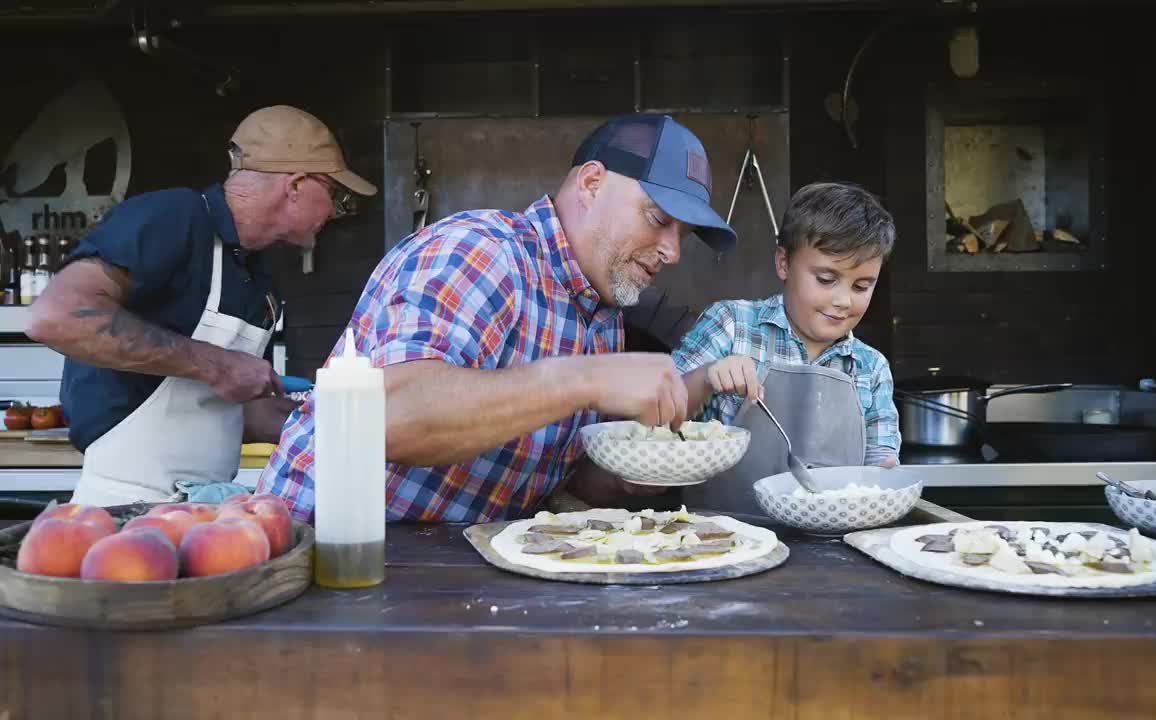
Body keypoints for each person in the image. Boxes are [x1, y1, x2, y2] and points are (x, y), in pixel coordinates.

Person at [258, 113, 737, 523]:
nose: (673, 251)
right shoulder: (483, 252)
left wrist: (627, 476)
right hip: (318, 558)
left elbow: (538, 486)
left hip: (444, 580)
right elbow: (385, 418)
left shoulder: (601, 315)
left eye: (684, 233)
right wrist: (588, 379)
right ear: (592, 183)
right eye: (658, 219)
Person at [25, 105, 377, 506]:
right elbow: (55, 317)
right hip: (119, 509)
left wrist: (327, 426)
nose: (333, 211)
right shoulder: (175, 218)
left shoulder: (257, 273)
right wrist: (218, 364)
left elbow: (223, 408)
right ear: (295, 185)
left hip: (207, 510)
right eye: (333, 194)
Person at [671, 181, 900, 513]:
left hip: (830, 548)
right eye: (826, 279)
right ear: (783, 263)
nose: (842, 301)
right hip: (720, 535)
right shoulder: (732, 325)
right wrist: (706, 377)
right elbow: (655, 418)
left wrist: (887, 482)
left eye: (862, 286)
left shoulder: (870, 367)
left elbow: (881, 467)